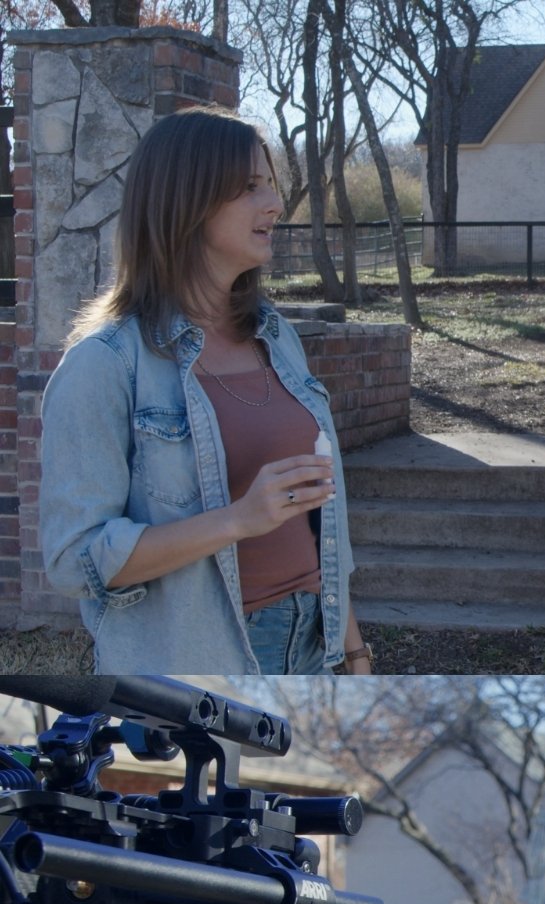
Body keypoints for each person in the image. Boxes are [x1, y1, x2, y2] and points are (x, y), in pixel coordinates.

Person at [40, 106, 373, 676]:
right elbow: (75, 560)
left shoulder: (277, 337)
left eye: (270, 185)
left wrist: (355, 651)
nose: (274, 204)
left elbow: (319, 520)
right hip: (200, 661)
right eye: (249, 187)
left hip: (313, 644)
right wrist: (235, 520)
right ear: (186, 201)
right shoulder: (104, 365)